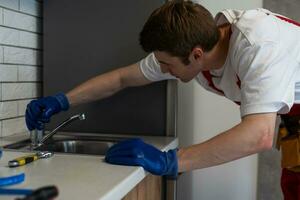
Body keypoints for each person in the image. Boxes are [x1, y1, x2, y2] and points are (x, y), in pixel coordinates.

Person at [25, 1, 300, 198]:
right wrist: (61, 100)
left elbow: (259, 135)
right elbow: (122, 78)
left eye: (166, 64)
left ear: (195, 55)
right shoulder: (195, 43)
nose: (163, 70)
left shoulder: (259, 46)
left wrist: (172, 161)